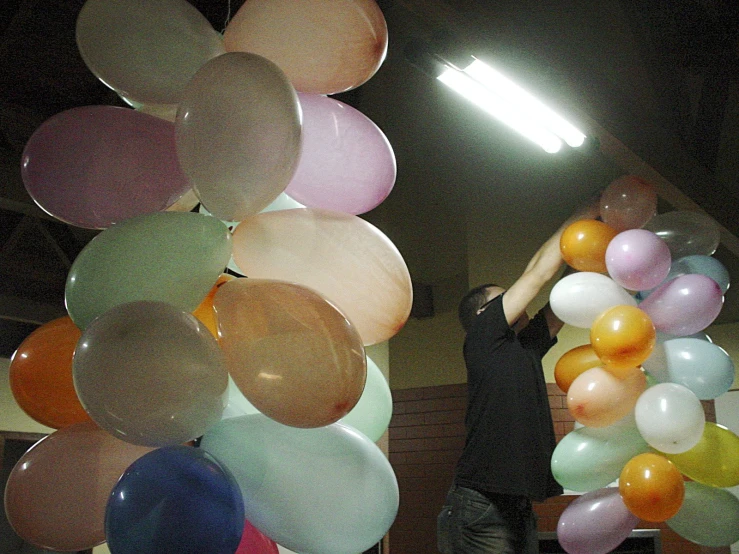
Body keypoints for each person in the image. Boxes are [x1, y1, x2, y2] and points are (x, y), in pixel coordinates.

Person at [437, 198, 601, 554]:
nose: (519, 301)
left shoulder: (524, 347)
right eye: (504, 299)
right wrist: (586, 214)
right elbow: (538, 273)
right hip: (479, 505)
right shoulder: (482, 338)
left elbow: (561, 299)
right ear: (484, 313)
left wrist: (595, 244)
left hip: (517, 505)